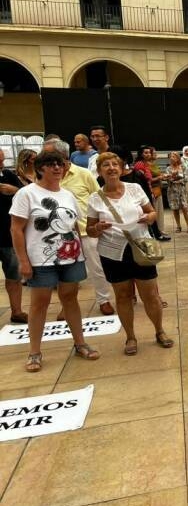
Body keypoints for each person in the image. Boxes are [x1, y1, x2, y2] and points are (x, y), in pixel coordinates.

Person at [10, 149, 100, 372]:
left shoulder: (67, 195)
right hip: (40, 259)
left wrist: (81, 253)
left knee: (70, 298)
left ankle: (80, 343)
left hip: (71, 256)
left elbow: (74, 227)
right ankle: (34, 352)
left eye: (60, 164)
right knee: (39, 303)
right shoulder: (26, 194)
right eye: (51, 164)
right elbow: (16, 229)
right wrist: (23, 261)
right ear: (40, 168)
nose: (57, 168)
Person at [86, 152, 173, 355]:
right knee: (123, 296)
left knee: (150, 295)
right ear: (99, 171)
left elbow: (151, 212)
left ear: (121, 168)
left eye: (115, 164)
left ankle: (159, 331)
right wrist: (98, 227)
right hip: (112, 253)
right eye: (105, 165)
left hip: (140, 248)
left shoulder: (134, 189)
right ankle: (130, 337)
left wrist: (149, 218)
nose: (111, 168)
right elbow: (89, 229)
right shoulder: (95, 198)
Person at [48, 139, 115, 317]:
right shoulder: (47, 177)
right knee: (65, 272)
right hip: (59, 233)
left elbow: (98, 197)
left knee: (96, 268)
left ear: (61, 154)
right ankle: (67, 305)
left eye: (48, 153)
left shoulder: (83, 174)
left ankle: (104, 300)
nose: (44, 157)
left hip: (87, 230)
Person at [0, 148, 27, 323]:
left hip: (7, 235)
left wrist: (14, 190)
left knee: (13, 276)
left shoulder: (8, 175)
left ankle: (16, 311)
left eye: (2, 160)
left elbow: (25, 193)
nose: (2, 163)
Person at [165, 151, 188, 233]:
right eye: (170, 157)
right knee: (175, 208)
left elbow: (186, 178)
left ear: (177, 158)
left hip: (181, 189)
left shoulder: (182, 167)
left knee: (185, 208)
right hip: (172, 190)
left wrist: (177, 178)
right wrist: (172, 177)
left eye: (174, 156)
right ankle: (178, 226)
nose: (172, 158)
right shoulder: (168, 168)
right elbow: (168, 181)